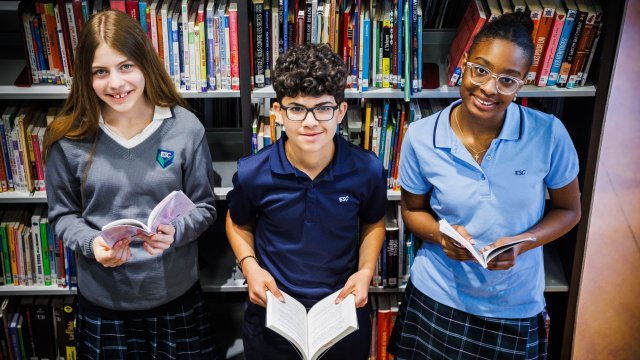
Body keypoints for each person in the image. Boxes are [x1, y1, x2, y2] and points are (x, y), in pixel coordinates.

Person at [388, 12, 581, 359]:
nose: (489, 88)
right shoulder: (421, 136)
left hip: (515, 302)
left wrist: (524, 244)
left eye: (508, 79)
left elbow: (570, 210)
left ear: (523, 83)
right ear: (464, 64)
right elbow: (413, 211)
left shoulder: (549, 134)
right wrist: (440, 235)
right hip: (438, 296)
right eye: (481, 70)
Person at [43, 10, 217, 359]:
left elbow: (205, 206)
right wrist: (93, 244)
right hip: (105, 304)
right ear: (85, 77)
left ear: (145, 64)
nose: (116, 84)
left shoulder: (185, 128)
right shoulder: (67, 138)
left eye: (126, 66)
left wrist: (176, 231)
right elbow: (62, 216)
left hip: (174, 297)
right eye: (100, 72)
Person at [226, 43, 387, 359]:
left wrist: (366, 271)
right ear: (278, 112)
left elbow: (373, 221)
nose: (310, 122)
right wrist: (250, 267)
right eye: (297, 109)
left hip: (342, 311)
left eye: (323, 108)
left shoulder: (366, 169)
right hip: (273, 314)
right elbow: (237, 221)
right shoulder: (252, 173)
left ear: (340, 111)